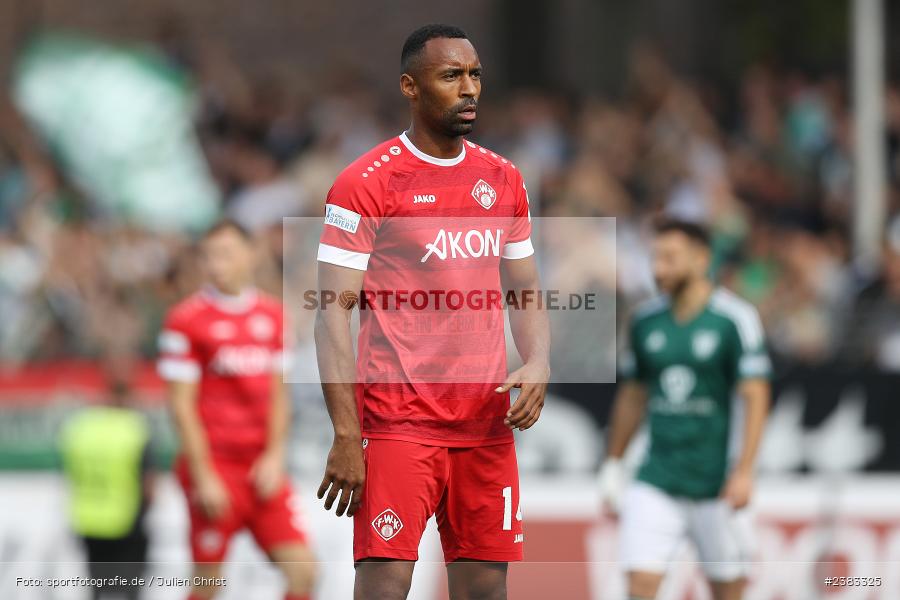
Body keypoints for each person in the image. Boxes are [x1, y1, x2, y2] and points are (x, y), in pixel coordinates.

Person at [313, 24, 551, 600]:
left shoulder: (504, 179)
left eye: (474, 75)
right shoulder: (366, 183)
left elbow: (524, 290)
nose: (468, 88)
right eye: (450, 76)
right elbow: (330, 314)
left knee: (484, 592)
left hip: (486, 425)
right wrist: (348, 432)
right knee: (384, 586)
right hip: (398, 424)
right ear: (410, 87)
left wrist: (539, 359)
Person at [598, 219, 771, 600]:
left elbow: (755, 395)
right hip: (656, 477)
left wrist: (744, 472)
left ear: (700, 258)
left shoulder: (734, 319)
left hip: (716, 483)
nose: (659, 268)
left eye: (670, 258)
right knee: (640, 586)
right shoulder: (645, 322)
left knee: (728, 591)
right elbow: (633, 395)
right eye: (655, 257)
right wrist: (613, 462)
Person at [158, 219, 316, 600]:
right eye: (209, 255)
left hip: (260, 467)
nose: (216, 263)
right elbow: (181, 404)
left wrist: (275, 456)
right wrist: (202, 474)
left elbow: (279, 395)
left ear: (251, 254)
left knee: (304, 571)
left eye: (226, 252)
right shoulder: (186, 320)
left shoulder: (274, 316)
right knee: (207, 583)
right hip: (215, 466)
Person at [60, 381, 156, 600]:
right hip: (127, 520)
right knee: (130, 589)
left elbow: (70, 471)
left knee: (97, 587)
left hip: (89, 520)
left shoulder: (82, 428)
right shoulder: (135, 428)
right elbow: (149, 484)